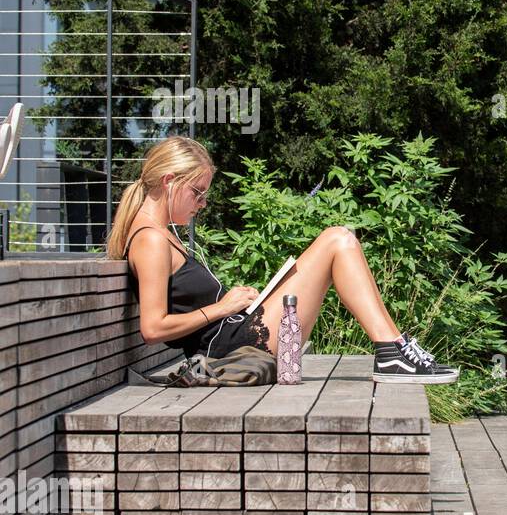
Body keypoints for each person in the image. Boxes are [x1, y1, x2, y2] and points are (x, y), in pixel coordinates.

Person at [108, 136, 459, 384]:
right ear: (169, 181)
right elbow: (153, 329)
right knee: (337, 239)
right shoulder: (151, 240)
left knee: (339, 239)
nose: (201, 204)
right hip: (225, 347)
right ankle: (393, 350)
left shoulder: (158, 232)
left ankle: (394, 347)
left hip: (234, 332)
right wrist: (222, 306)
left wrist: (237, 303)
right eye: (197, 193)